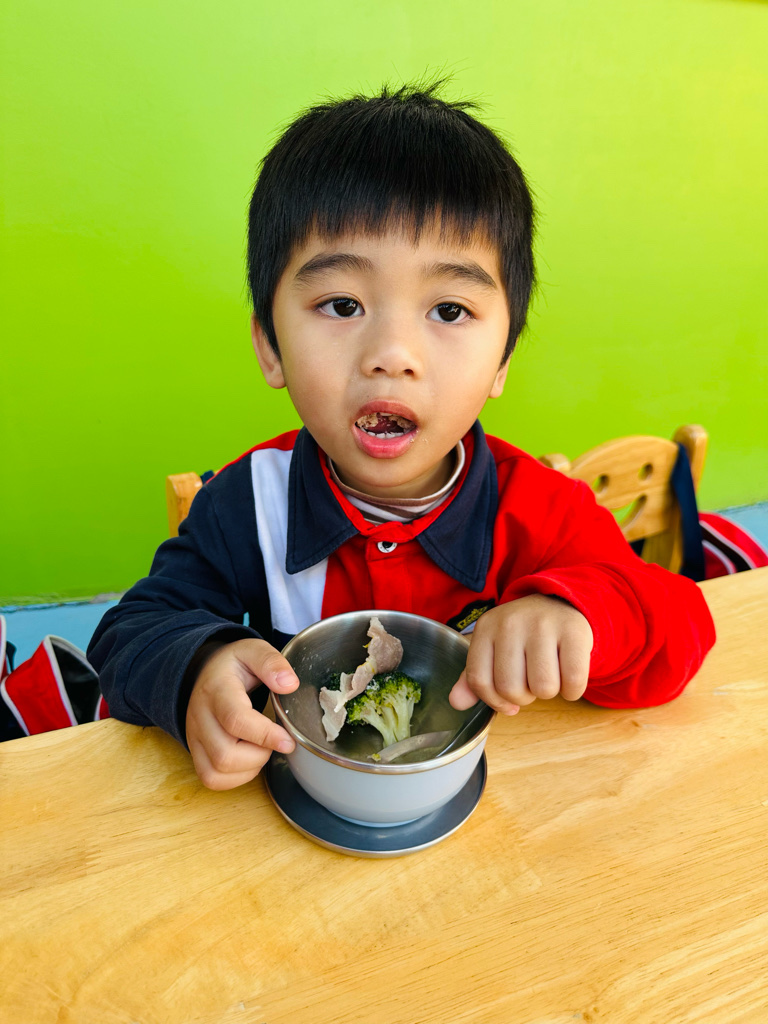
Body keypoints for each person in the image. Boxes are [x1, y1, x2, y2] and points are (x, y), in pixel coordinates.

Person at [88, 79, 715, 791]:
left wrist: (579, 613)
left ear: (503, 360)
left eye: (448, 310)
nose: (393, 354)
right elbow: (129, 634)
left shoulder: (539, 508)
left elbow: (684, 628)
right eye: (342, 304)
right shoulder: (247, 503)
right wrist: (197, 668)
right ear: (270, 346)